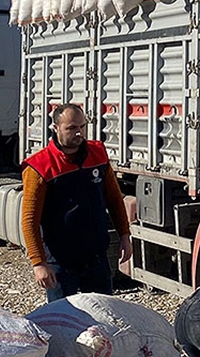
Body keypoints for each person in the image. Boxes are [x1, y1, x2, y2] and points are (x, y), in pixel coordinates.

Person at [20, 104, 133, 301]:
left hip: (96, 257)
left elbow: (114, 199)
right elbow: (29, 220)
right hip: (61, 262)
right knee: (62, 321)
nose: (79, 133)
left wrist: (124, 234)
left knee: (103, 316)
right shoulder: (39, 167)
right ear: (55, 128)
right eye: (71, 128)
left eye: (82, 126)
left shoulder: (97, 154)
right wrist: (38, 263)